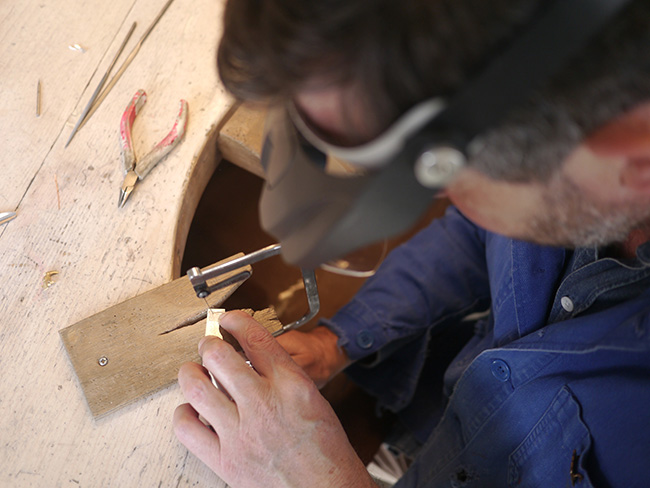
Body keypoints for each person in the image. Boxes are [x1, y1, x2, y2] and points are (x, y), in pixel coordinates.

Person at [173, 0, 650, 486]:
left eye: (444, 179)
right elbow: (485, 233)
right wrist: (337, 342)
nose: (443, 199)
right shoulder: (567, 164)